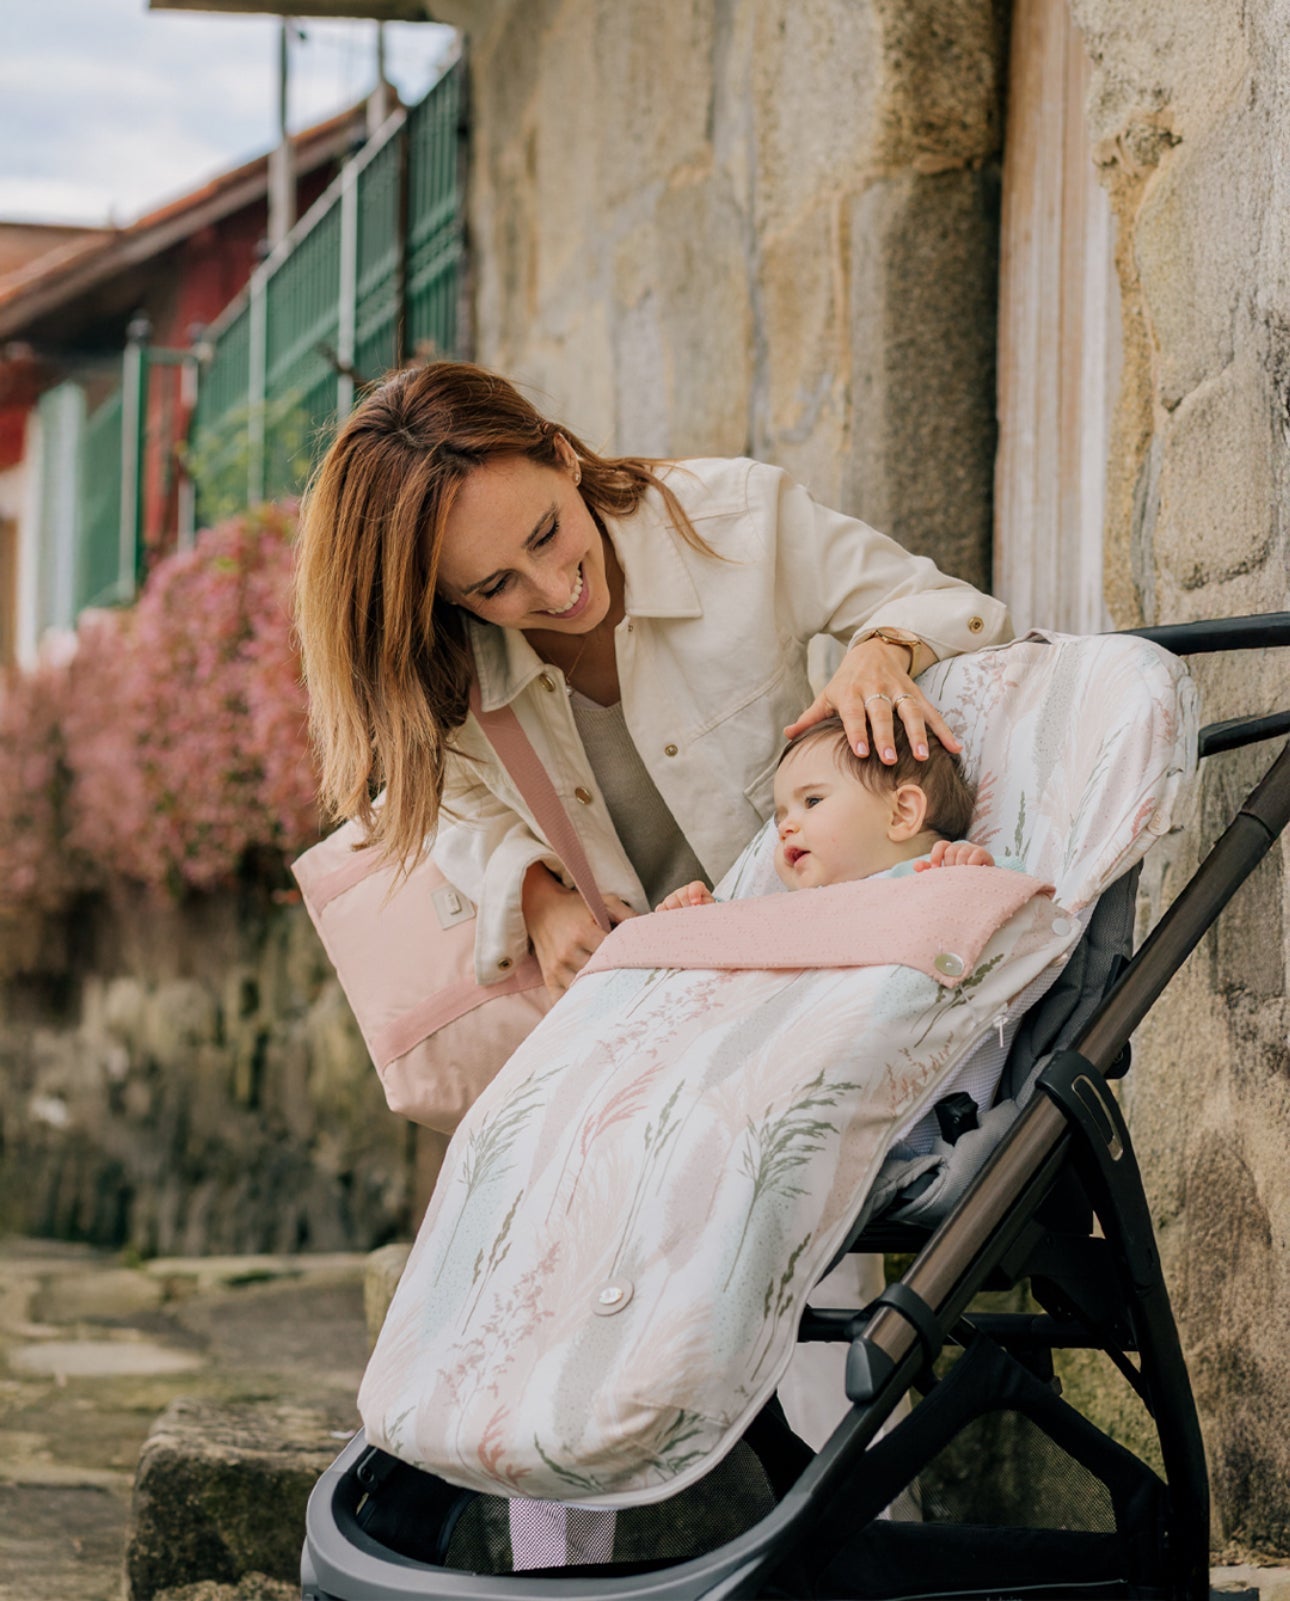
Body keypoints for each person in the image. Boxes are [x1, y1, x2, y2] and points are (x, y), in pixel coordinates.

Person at [294, 361, 1012, 1002]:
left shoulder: (737, 519)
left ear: (563, 454)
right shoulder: (446, 670)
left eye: (546, 533)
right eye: (494, 585)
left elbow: (963, 611)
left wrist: (883, 648)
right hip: (655, 1013)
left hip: (829, 974)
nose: (555, 590)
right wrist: (534, 896)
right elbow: (454, 797)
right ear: (447, 600)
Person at [658, 715, 997, 909]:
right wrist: (705, 916)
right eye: (780, 818)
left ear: (901, 813)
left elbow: (1003, 910)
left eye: (813, 802)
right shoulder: (787, 907)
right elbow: (754, 940)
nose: (785, 828)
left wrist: (969, 875)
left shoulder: (934, 877)